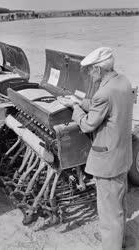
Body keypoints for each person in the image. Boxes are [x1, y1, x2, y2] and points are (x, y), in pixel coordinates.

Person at [59, 47, 134, 250]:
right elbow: (106, 105)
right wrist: (80, 101)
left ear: (99, 70)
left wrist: (75, 109)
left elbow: (87, 124)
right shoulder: (123, 82)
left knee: (109, 212)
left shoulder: (104, 92)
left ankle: (112, 246)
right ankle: (120, 241)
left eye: (91, 71)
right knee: (119, 205)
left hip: (107, 161)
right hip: (122, 156)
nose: (90, 75)